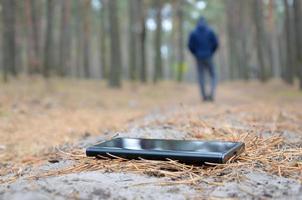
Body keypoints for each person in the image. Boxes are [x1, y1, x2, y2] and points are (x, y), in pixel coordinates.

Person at [188, 17, 219, 102]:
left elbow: (190, 46)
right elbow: (216, 43)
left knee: (201, 77)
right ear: (205, 22)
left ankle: (204, 96)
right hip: (209, 56)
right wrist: (211, 52)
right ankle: (211, 94)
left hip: (199, 57)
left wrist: (196, 53)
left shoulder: (193, 32)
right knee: (213, 76)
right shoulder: (210, 31)